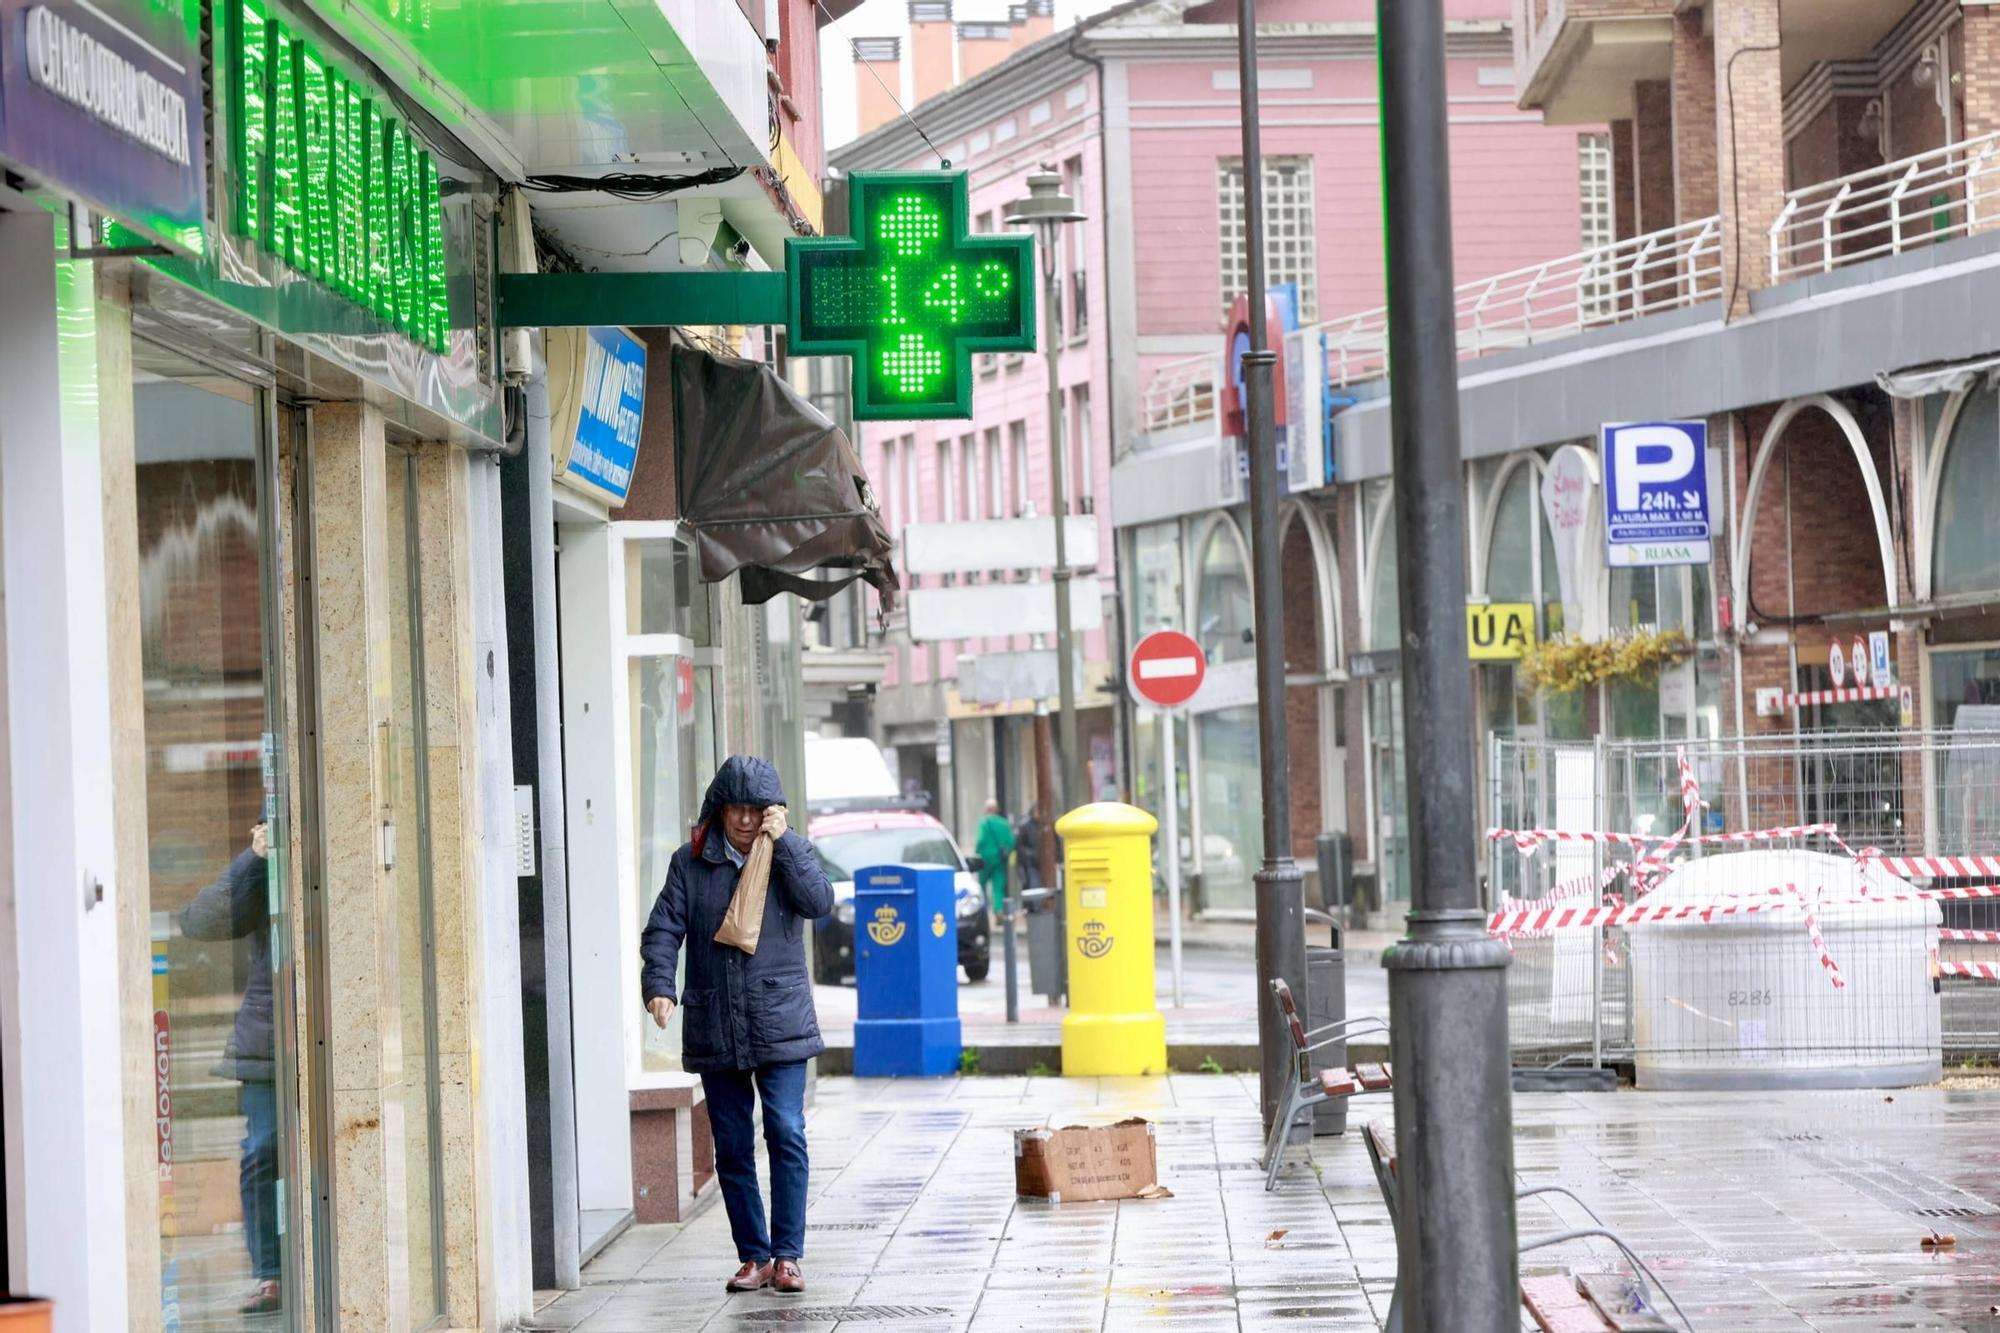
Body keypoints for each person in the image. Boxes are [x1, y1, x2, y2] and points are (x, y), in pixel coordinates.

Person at [641, 755, 834, 1296]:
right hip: (715, 1020)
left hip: (780, 1020)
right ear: (719, 810)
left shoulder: (788, 855)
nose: (746, 821)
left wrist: (788, 842)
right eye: (737, 809)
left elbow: (819, 901)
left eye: (757, 810)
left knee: (786, 1131)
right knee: (730, 1144)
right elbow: (663, 930)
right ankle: (754, 1255)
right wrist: (659, 985)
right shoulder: (690, 863)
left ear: (772, 811)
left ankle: (788, 1255)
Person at [181, 821, 282, 1315]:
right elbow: (199, 920)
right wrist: (253, 858)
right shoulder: (262, 868)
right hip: (269, 1037)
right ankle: (270, 1275)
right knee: (262, 1148)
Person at [973, 798, 1016, 918]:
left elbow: (980, 841)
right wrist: (1006, 852)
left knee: (982, 885)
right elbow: (1011, 842)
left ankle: (984, 910)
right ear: (997, 809)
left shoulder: (983, 823)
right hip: (999, 859)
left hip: (985, 859)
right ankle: (998, 910)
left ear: (986, 809)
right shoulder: (1004, 823)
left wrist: (977, 852)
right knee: (998, 886)